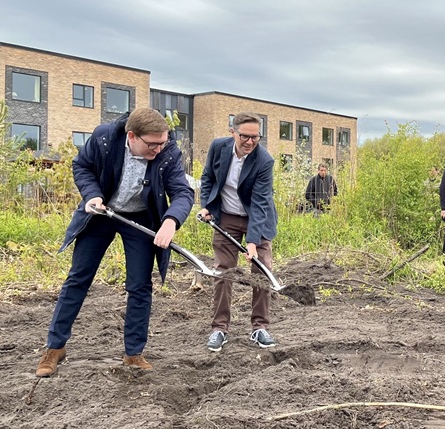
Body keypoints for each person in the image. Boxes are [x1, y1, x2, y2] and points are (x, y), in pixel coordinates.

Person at [35, 108, 194, 377]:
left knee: (140, 286)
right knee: (78, 278)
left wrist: (170, 221)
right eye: (152, 144)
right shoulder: (104, 138)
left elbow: (182, 191)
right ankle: (55, 348)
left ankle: (134, 353)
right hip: (101, 213)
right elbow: (82, 166)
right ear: (131, 136)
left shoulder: (167, 151)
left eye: (162, 142)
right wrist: (92, 195)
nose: (158, 149)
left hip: (140, 218)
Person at [198, 112, 279, 351]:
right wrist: (207, 206)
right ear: (232, 132)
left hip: (258, 220)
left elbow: (260, 202)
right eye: (245, 136)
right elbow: (208, 177)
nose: (250, 142)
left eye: (256, 137)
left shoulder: (264, 160)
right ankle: (219, 329)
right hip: (227, 218)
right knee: (224, 272)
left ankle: (260, 328)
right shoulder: (218, 148)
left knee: (262, 270)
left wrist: (253, 241)